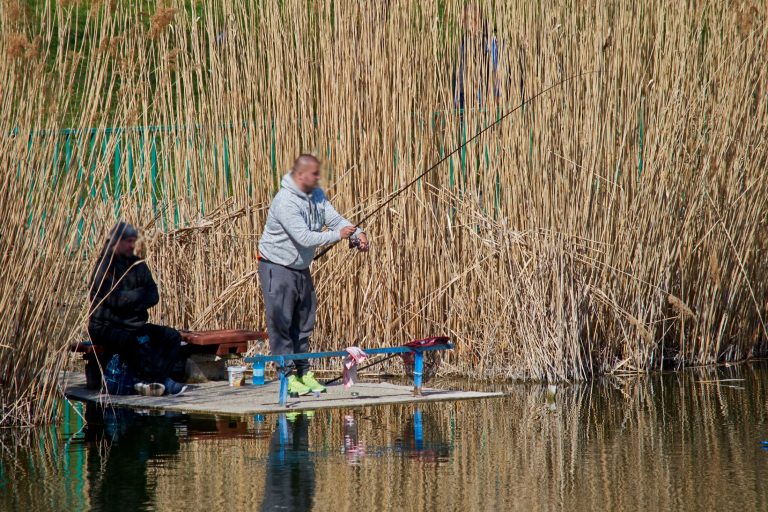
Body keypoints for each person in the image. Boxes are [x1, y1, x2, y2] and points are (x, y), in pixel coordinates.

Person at [257, 154, 369, 396]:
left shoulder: (316, 194)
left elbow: (335, 219)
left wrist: (357, 233)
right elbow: (304, 237)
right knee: (281, 323)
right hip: (277, 266)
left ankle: (303, 372)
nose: (319, 178)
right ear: (300, 175)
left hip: (300, 267)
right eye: (314, 174)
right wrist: (338, 235)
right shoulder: (285, 201)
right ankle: (287, 376)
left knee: (304, 322)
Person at [88, 221, 186, 395]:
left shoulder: (138, 265)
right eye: (128, 241)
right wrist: (140, 294)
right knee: (130, 341)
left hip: (134, 325)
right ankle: (160, 381)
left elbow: (154, 296)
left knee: (172, 336)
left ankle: (148, 380)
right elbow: (116, 301)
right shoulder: (105, 267)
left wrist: (131, 297)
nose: (132, 245)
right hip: (105, 326)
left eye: (133, 241)